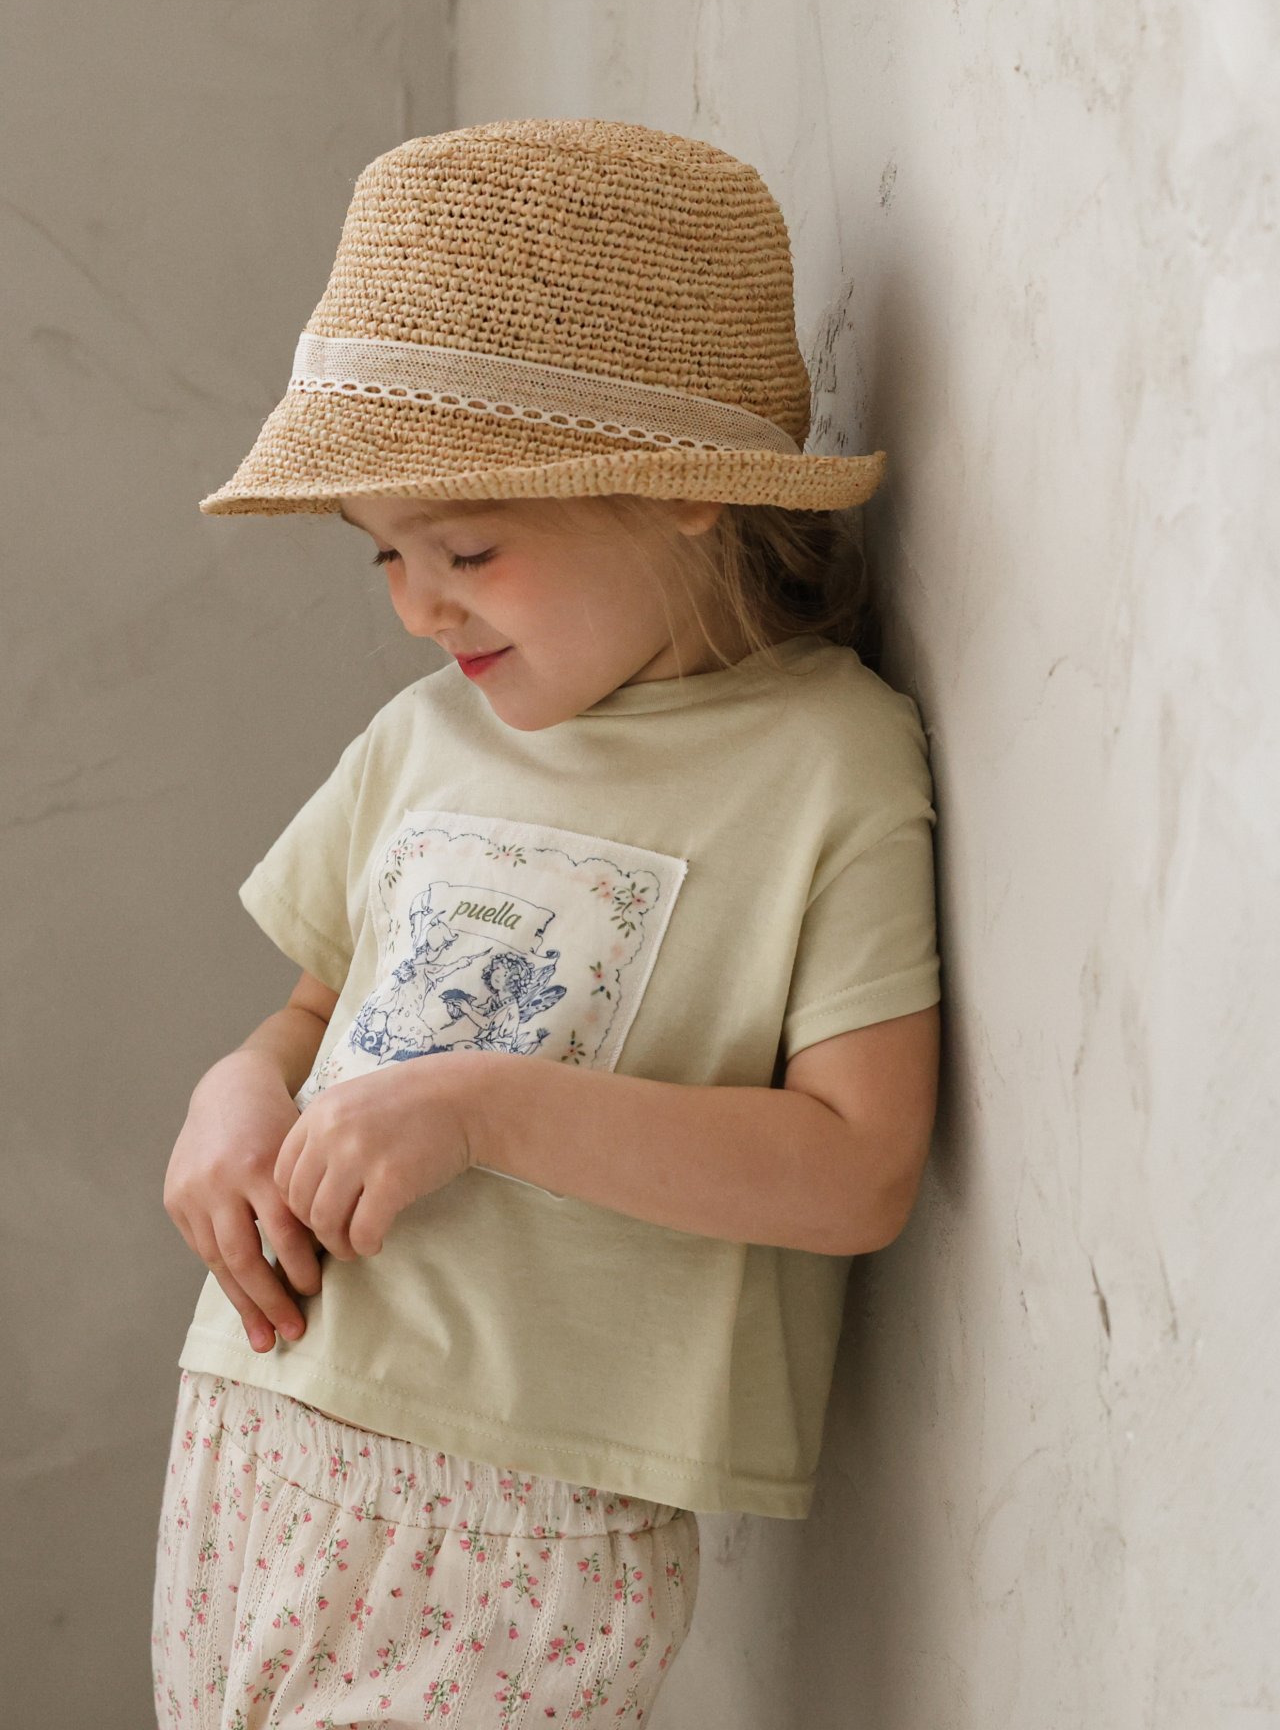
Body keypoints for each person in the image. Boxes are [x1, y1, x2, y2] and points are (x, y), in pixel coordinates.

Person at [154, 118, 942, 1728]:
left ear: (682, 489)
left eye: (468, 547)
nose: (418, 605)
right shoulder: (424, 740)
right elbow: (306, 1018)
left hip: (518, 1506)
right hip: (254, 1426)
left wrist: (487, 1110)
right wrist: (231, 1099)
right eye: (385, 555)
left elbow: (859, 1167)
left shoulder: (827, 761)